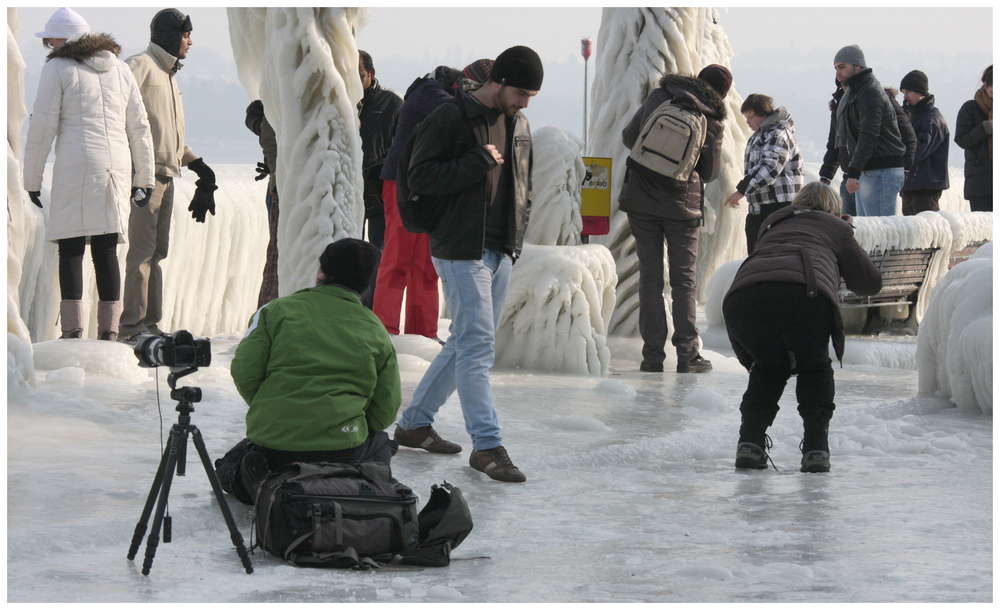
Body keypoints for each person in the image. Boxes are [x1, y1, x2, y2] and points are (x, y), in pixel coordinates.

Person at [392, 46, 542, 483]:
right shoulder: (450, 117)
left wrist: (516, 240)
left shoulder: (521, 125)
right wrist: (475, 162)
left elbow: (522, 186)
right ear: (498, 81)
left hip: (501, 251)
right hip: (461, 248)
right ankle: (487, 446)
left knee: (464, 343)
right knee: (477, 347)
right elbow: (420, 177)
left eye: (532, 95)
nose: (525, 102)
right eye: (520, 92)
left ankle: (414, 424)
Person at [215, 238, 402, 504]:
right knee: (382, 443)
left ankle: (258, 481)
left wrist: (273, 409)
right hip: (342, 449)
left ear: (321, 272)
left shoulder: (276, 311)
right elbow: (386, 407)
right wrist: (349, 425)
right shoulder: (375, 328)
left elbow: (245, 371)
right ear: (366, 283)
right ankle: (353, 479)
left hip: (275, 442)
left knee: (228, 465)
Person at [723, 182, 882, 473]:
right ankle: (815, 449)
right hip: (805, 298)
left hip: (743, 299)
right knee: (814, 367)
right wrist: (844, 236)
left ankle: (750, 443)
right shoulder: (837, 227)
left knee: (769, 366)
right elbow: (869, 283)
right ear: (834, 209)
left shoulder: (773, 221)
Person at [22, 9, 154, 341]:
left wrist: (31, 181)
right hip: (117, 168)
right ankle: (108, 332)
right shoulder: (121, 69)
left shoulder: (57, 68)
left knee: (71, 248)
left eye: (50, 38)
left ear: (63, 38)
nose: (48, 44)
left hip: (76, 167)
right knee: (106, 249)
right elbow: (139, 127)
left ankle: (72, 332)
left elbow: (42, 128)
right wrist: (144, 179)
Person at [619, 64, 731, 374]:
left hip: (640, 201)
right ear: (722, 94)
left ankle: (652, 356)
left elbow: (630, 138)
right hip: (682, 208)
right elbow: (709, 172)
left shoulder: (660, 96)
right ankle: (688, 355)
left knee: (651, 279)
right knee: (684, 282)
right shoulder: (713, 119)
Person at [374, 59, 493, 340]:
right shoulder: (430, 93)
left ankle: (422, 335)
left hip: (432, 185)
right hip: (402, 183)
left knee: (427, 266)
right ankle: (385, 331)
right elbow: (464, 117)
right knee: (398, 259)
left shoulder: (444, 95)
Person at [120, 9, 218, 342]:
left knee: (157, 253)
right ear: (170, 36)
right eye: (186, 34)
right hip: (145, 177)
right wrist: (135, 170)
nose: (190, 41)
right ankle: (131, 327)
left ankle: (149, 323)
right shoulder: (139, 67)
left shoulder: (168, 74)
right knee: (142, 253)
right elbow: (122, 119)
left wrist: (196, 163)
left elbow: (167, 134)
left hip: (167, 175)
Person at [832, 45, 907, 217]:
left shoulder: (869, 92)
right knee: (870, 232)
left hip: (881, 169)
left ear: (858, 66)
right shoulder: (857, 91)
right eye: (836, 68)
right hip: (872, 170)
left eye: (842, 67)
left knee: (880, 235)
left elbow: (869, 134)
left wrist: (854, 171)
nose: (838, 72)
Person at [725, 93, 804, 253]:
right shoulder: (762, 135)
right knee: (758, 257)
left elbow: (769, 168)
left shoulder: (777, 134)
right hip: (760, 208)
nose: (748, 122)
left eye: (751, 117)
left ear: (763, 114)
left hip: (779, 207)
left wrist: (742, 190)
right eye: (746, 117)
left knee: (773, 257)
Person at [358, 50, 404, 309]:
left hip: (379, 195)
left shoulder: (392, 104)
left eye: (359, 76)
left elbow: (404, 147)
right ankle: (348, 308)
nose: (353, 82)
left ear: (371, 74)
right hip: (348, 193)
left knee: (379, 255)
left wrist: (383, 171)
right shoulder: (339, 101)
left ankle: (371, 311)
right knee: (347, 254)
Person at [899, 70, 950, 215]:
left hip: (925, 189)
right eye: (903, 92)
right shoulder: (910, 116)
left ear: (920, 91)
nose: (905, 96)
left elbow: (918, 151)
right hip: (910, 187)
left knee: (927, 233)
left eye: (908, 91)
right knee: (911, 234)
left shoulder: (932, 120)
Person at [245, 100, 280, 307]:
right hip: (280, 187)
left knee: (277, 253)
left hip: (279, 184)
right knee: (278, 252)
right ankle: (270, 312)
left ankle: (269, 311)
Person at [954, 65, 993, 212]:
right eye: (992, 92)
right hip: (979, 185)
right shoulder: (970, 108)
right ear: (985, 85)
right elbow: (962, 139)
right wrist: (986, 128)